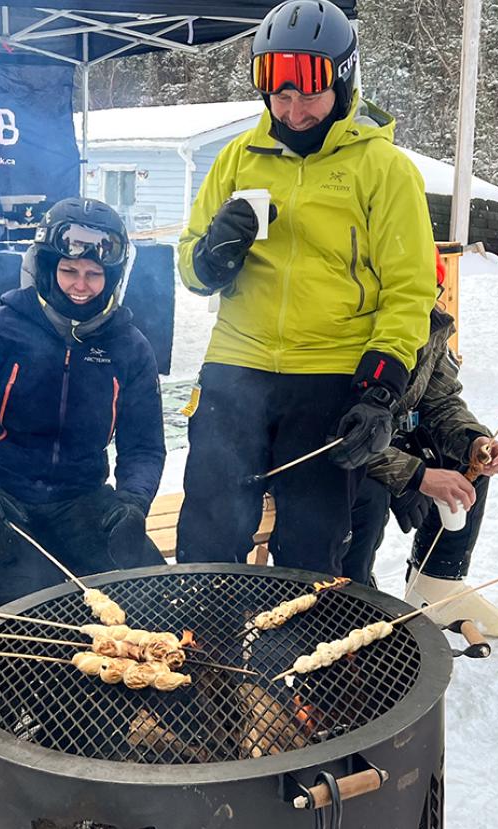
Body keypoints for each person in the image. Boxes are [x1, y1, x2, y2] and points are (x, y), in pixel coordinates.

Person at [174, 0, 437, 575]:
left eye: (307, 97)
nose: (291, 112)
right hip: (236, 367)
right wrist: (213, 252)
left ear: (343, 83)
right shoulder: (238, 159)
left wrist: (380, 391)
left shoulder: (383, 170)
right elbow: (192, 272)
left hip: (329, 374)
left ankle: (298, 659)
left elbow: (409, 290)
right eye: (279, 97)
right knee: (209, 532)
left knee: (312, 547)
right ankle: (206, 654)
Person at [0, 198, 167, 611]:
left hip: (81, 501)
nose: (80, 286)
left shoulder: (129, 348)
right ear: (46, 267)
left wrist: (132, 501)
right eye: (69, 270)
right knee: (36, 603)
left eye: (94, 275)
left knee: (152, 597)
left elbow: (143, 447)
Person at [343, 259, 498, 636]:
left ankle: (435, 585)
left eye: (430, 293)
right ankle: (350, 598)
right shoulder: (354, 326)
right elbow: (340, 431)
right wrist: (416, 475)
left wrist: (475, 440)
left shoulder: (433, 327)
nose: (423, 304)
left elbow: (441, 402)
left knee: (465, 466)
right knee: (364, 495)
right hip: (348, 448)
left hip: (395, 438)